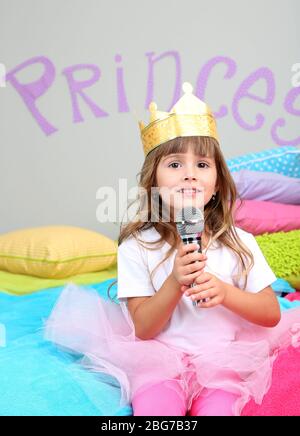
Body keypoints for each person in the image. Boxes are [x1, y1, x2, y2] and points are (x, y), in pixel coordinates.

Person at [45, 83, 300, 416]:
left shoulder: (239, 242)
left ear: (217, 185)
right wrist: (174, 281)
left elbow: (270, 313)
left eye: (202, 166)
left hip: (223, 362)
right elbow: (144, 328)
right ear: (154, 181)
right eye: (175, 164)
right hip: (159, 361)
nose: (190, 175)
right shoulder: (138, 246)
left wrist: (225, 292)